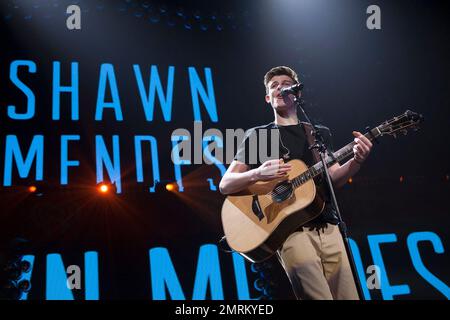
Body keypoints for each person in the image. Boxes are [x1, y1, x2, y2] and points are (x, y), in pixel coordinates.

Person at [219, 66, 373, 300]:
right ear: (268, 98)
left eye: (286, 83)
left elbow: (332, 177)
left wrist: (357, 162)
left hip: (329, 225)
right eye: (274, 86)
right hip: (291, 231)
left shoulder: (317, 133)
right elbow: (226, 184)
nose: (281, 87)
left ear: (297, 94)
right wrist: (257, 173)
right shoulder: (260, 136)